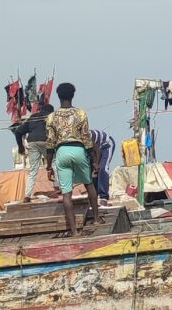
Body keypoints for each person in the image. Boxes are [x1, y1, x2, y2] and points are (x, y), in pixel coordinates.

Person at [44, 82, 102, 237]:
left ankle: (74, 231)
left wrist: (48, 166)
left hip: (61, 152)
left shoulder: (51, 117)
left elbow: (49, 144)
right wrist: (94, 161)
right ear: (73, 95)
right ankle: (96, 219)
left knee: (66, 193)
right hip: (79, 150)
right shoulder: (81, 113)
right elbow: (87, 139)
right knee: (89, 184)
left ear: (58, 96)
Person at [14, 96, 54, 201]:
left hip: (32, 142)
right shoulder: (51, 117)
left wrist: (20, 147)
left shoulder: (33, 117)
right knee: (56, 164)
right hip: (46, 141)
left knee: (33, 171)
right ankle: (59, 188)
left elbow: (18, 132)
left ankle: (27, 195)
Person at [89, 128, 115, 201]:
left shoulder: (85, 136)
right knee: (92, 172)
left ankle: (103, 196)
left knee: (103, 167)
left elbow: (98, 151)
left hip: (106, 145)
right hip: (94, 151)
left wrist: (96, 164)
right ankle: (94, 194)